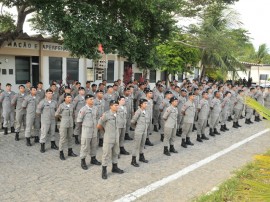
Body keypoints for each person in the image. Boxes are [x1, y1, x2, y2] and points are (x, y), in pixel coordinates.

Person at [97, 100, 124, 180]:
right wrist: (105, 131)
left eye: (117, 105)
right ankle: (104, 170)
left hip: (116, 137)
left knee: (116, 152)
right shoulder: (106, 114)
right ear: (111, 106)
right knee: (106, 154)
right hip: (108, 137)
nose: (117, 106)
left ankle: (115, 167)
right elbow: (99, 125)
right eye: (115, 105)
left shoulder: (118, 114)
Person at [78, 94, 101, 170]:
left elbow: (97, 117)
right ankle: (83, 161)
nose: (92, 100)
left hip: (94, 130)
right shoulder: (83, 109)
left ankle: (93, 159)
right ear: (86, 100)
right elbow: (79, 120)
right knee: (85, 146)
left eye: (93, 99)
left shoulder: (95, 108)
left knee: (94, 145)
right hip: (86, 130)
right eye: (91, 99)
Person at [55, 93, 78, 160]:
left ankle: (70, 151)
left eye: (70, 97)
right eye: (68, 97)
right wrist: (61, 117)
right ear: (65, 98)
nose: (70, 99)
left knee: (70, 138)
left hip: (70, 123)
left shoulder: (72, 105)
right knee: (63, 138)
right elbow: (56, 114)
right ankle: (61, 152)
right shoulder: (61, 106)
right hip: (64, 124)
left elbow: (73, 113)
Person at [130, 99, 149, 167]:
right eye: (145, 103)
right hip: (139, 130)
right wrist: (136, 127)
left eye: (146, 103)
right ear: (141, 104)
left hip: (144, 130)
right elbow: (133, 121)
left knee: (142, 144)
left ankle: (141, 156)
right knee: (136, 145)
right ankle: (133, 159)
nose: (146, 105)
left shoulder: (146, 111)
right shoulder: (138, 111)